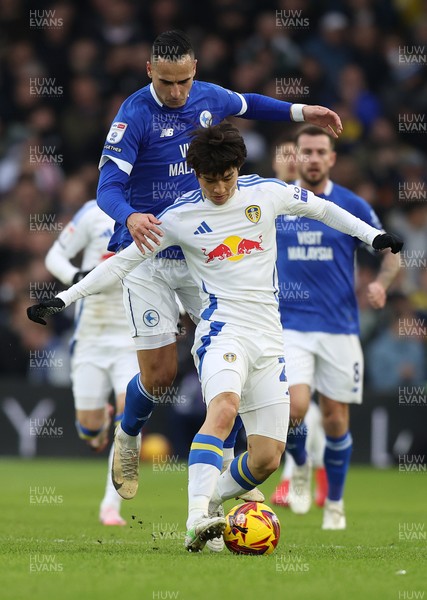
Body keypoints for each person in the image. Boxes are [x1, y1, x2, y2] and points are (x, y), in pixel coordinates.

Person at [27, 122, 403, 551]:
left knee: (266, 458)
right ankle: (194, 522)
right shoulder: (180, 216)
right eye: (210, 179)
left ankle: (211, 503)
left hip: (270, 338)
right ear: (196, 173)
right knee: (223, 410)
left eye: (227, 177)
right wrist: (63, 299)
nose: (220, 188)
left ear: (238, 168)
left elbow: (322, 209)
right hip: (221, 332)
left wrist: (373, 236)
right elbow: (121, 263)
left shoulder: (268, 193)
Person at [95, 29, 345, 497]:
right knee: (160, 375)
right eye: (167, 82)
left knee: (222, 364)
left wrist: (300, 111)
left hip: (199, 251)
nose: (177, 92)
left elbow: (247, 103)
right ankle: (127, 436)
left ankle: (223, 478)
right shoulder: (132, 117)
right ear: (150, 71)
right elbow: (106, 188)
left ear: (194, 73)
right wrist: (129, 216)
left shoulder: (207, 97)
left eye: (185, 81)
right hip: (147, 250)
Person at [273, 125, 402, 529]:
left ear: (332, 158)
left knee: (334, 418)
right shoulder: (277, 200)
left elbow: (393, 252)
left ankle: (336, 505)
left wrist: (381, 284)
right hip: (289, 324)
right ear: (296, 156)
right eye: (305, 151)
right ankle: (299, 464)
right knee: (293, 407)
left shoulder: (352, 206)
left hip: (340, 327)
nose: (312, 158)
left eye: (320, 152)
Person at [44, 201, 139, 526]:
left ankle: (110, 505)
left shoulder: (155, 210)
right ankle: (100, 422)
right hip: (90, 338)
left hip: (132, 338)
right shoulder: (92, 212)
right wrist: (76, 276)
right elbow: (53, 256)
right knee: (90, 432)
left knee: (131, 416)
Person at [270, 135, 328, 508]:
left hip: (319, 318)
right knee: (296, 403)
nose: (293, 161)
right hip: (272, 315)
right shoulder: (264, 202)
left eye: (299, 155)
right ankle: (306, 470)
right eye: (285, 155)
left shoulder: (316, 204)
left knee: (308, 403)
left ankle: (300, 474)